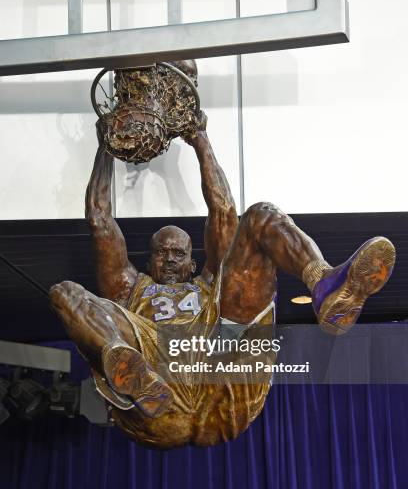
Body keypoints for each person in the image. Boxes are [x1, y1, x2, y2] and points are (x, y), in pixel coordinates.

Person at [50, 111, 395, 449]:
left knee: (259, 216)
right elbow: (100, 219)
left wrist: (199, 137)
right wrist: (105, 146)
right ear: (149, 260)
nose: (169, 258)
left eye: (178, 253)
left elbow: (223, 210)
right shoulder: (131, 288)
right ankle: (132, 373)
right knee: (66, 294)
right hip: (160, 395)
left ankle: (326, 284)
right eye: (162, 252)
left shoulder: (207, 284)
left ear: (193, 262)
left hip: (222, 370)